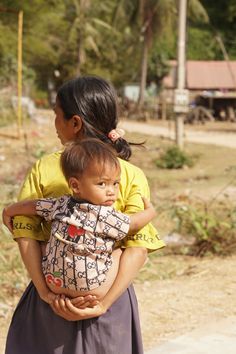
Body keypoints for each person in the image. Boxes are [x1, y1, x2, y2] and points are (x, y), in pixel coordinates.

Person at [4, 75, 165, 354]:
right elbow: (137, 249)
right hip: (109, 309)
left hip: (50, 304)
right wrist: (103, 303)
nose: (55, 124)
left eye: (57, 116)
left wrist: (45, 293)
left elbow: (26, 236)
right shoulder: (130, 174)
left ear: (74, 122)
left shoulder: (45, 168)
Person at [3, 138, 156, 300]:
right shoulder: (106, 216)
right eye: (102, 184)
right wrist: (151, 212)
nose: (111, 191)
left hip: (54, 282)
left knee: (43, 243)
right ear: (75, 185)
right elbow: (133, 223)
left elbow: (33, 205)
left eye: (115, 184)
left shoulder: (59, 204)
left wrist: (8, 211)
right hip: (93, 288)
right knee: (125, 253)